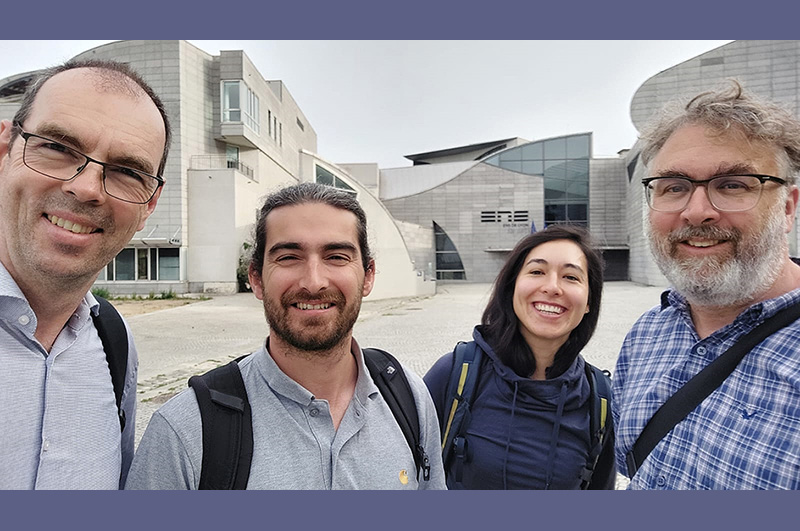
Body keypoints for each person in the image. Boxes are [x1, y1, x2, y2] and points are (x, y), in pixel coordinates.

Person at [126, 182, 446, 490]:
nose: (314, 281)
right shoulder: (185, 429)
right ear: (257, 279)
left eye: (336, 256)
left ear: (368, 275)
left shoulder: (410, 400)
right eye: (289, 257)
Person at [613, 81, 800, 489]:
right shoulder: (646, 334)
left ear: (787, 208)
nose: (696, 212)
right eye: (674, 187)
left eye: (732, 184)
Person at [0, 60, 171, 489]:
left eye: (128, 172)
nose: (87, 188)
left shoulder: (115, 345)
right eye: (57, 148)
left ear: (150, 204)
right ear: (4, 151)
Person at [424, 225, 616, 489]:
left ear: (590, 301)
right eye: (537, 271)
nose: (552, 287)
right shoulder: (455, 374)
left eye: (571, 277)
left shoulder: (600, 399)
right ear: (512, 286)